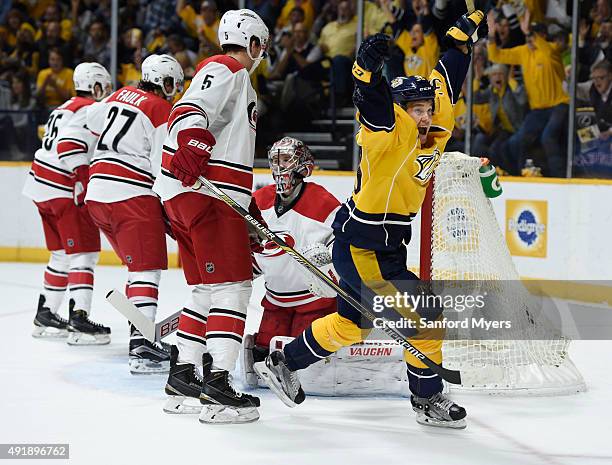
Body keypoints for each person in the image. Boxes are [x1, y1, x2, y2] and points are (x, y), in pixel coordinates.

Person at [255, 10, 486, 429]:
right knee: (428, 318)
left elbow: (447, 82)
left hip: (385, 247)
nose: (424, 115)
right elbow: (376, 105)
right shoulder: (386, 133)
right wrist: (364, 71)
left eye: (426, 108)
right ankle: (428, 397)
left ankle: (282, 361)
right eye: (414, 109)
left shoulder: (434, 127)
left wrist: (459, 44)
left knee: (351, 325)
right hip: (365, 249)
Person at [153, 9, 269, 424]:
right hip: (206, 193)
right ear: (254, 43)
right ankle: (218, 384)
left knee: (205, 289)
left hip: (192, 196)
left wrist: (248, 206)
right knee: (234, 288)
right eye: (261, 46)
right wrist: (193, 140)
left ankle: (183, 374)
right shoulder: (226, 69)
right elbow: (190, 107)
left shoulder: (234, 77)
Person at [85, 54, 184, 374]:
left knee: (136, 267)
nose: (174, 92)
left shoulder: (117, 95)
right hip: (130, 194)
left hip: (96, 194)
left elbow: (91, 118)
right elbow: (161, 166)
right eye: (173, 85)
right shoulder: (160, 109)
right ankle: (142, 347)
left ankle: (137, 328)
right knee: (146, 268)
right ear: (163, 82)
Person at [22, 62, 112, 345]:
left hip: (39, 186)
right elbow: (69, 146)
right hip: (63, 189)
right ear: (96, 86)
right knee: (84, 254)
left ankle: (47, 312)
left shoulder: (63, 107)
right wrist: (82, 180)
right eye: (105, 87)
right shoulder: (89, 109)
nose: (106, 93)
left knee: (61, 254)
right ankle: (80, 318)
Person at [242, 137, 340, 384]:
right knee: (264, 348)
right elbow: (255, 247)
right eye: (276, 160)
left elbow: (344, 243)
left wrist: (331, 264)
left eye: (286, 159)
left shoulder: (323, 201)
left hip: (315, 300)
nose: (280, 166)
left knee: (303, 358)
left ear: (302, 164)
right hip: (276, 299)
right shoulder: (259, 200)